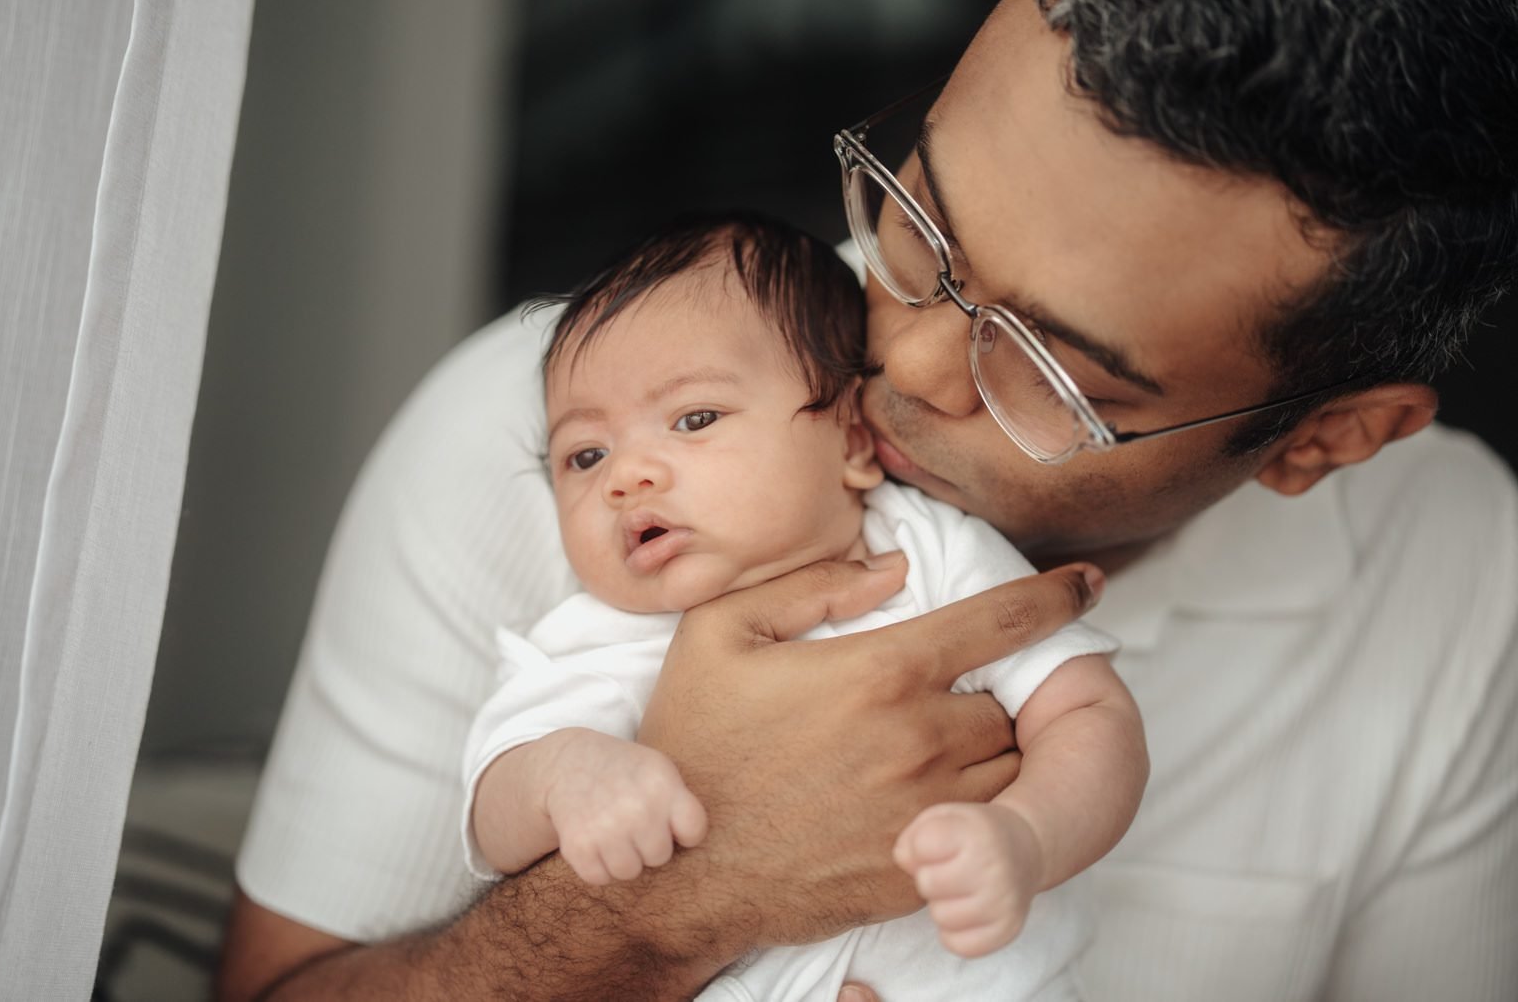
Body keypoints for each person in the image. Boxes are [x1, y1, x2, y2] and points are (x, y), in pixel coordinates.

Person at [218, 0, 1518, 999]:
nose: (907, 359)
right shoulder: (555, 441)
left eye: (1049, 363)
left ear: (1326, 438)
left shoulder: (1457, 571)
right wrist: (672, 899)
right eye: (920, 222)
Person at [463, 213, 1144, 1001]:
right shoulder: (602, 635)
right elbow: (491, 815)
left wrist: (1028, 833)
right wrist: (564, 776)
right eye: (585, 455)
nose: (626, 476)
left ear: (853, 440)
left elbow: (1089, 712)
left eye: (694, 419)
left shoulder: (931, 552)